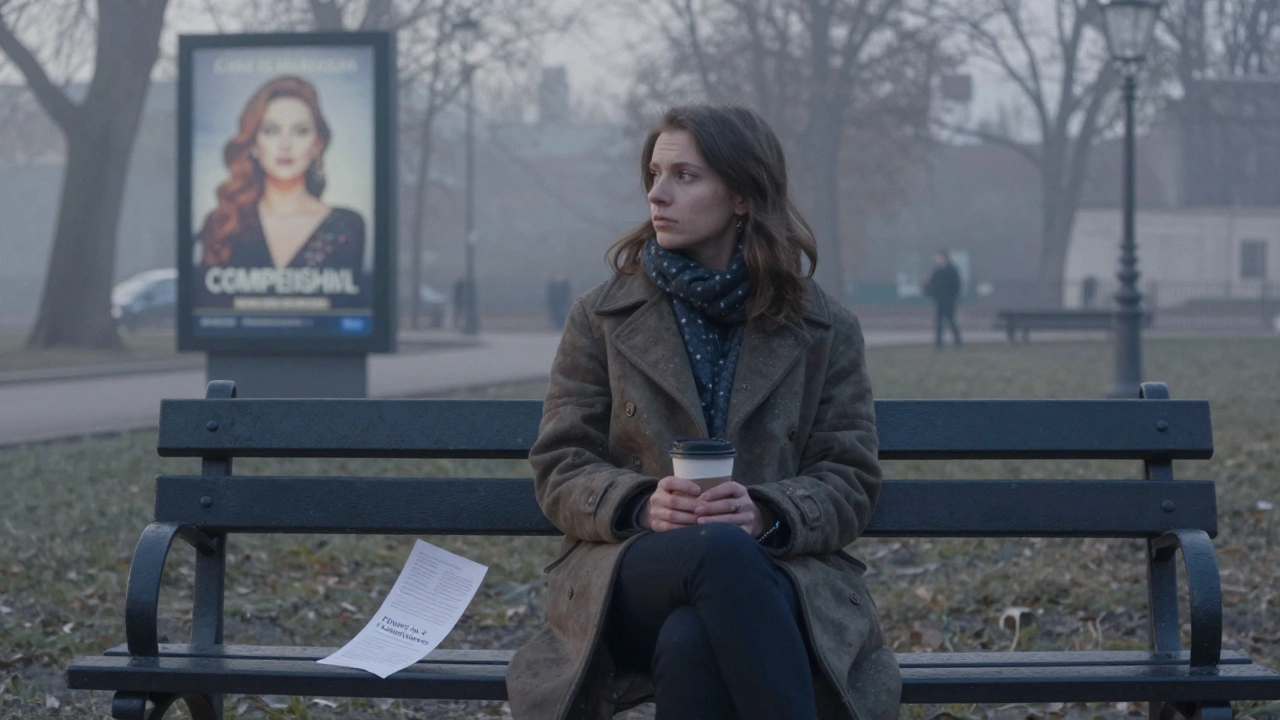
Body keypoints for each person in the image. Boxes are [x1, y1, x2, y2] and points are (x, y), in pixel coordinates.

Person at [506, 105, 900, 720]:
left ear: (741, 195)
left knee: (693, 637)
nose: (657, 194)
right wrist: (639, 503)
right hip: (632, 575)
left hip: (777, 580)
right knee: (716, 553)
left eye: (685, 176)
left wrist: (766, 511)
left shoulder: (822, 328)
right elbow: (560, 464)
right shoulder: (602, 317)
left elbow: (850, 477)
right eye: (655, 174)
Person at [195, 76, 365, 308]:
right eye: (272, 131)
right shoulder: (223, 223)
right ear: (254, 143)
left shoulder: (347, 226)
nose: (285, 144)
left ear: (317, 144)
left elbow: (348, 310)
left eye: (300, 131)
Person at [923, 249, 962, 349]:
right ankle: (938, 345)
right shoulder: (937, 271)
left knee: (951, 322)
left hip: (949, 301)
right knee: (939, 323)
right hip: (939, 301)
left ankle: (958, 343)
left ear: (944, 257)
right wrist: (928, 291)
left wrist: (952, 297)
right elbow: (932, 284)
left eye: (938, 257)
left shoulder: (952, 270)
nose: (937, 259)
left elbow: (956, 285)